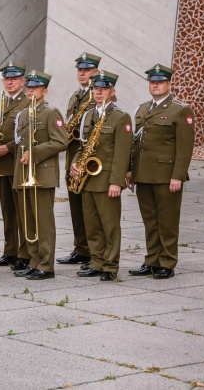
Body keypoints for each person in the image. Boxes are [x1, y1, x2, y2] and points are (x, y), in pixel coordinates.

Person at [127, 65, 194, 280]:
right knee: (150, 220)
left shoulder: (180, 110)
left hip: (166, 176)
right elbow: (136, 143)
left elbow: (185, 148)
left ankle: (167, 262)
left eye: (160, 82)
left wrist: (178, 175)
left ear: (169, 84)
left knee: (167, 221)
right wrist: (130, 170)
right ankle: (152, 260)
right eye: (152, 82)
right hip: (143, 174)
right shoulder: (142, 109)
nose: (155, 85)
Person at [71, 71, 132, 281]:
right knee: (92, 225)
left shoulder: (120, 117)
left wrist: (117, 181)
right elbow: (83, 146)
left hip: (107, 181)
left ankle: (110, 266)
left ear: (112, 91)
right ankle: (96, 262)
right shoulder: (89, 115)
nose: (99, 92)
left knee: (109, 225)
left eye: (104, 88)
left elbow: (123, 154)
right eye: (96, 88)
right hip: (88, 179)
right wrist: (75, 163)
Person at [13, 71, 69, 280]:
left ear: (44, 91)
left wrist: (35, 153)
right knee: (29, 221)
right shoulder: (25, 113)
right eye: (28, 87)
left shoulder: (50, 112)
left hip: (42, 175)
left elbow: (60, 142)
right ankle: (35, 260)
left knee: (43, 222)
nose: (30, 90)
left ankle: (47, 265)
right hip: (25, 174)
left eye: (35, 88)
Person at [0, 62, 32, 270]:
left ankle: (25, 253)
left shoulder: (27, 102)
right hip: (2, 164)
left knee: (21, 210)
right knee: (7, 211)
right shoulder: (2, 102)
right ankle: (10, 250)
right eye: (7, 79)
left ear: (22, 81)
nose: (9, 82)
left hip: (18, 162)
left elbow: (28, 134)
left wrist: (7, 147)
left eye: (14, 79)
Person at [60, 53, 99, 267]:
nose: (82, 73)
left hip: (89, 157)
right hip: (71, 157)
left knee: (89, 208)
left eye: (87, 69)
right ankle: (80, 248)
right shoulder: (76, 96)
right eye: (80, 70)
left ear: (96, 72)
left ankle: (94, 251)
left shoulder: (99, 95)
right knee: (75, 206)